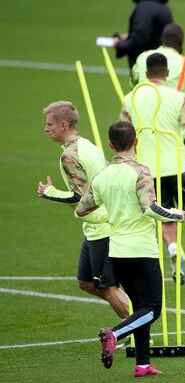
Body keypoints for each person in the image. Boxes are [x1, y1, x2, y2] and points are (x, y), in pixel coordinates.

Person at [75, 121, 184, 376]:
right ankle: (115, 333)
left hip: (117, 251)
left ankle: (143, 363)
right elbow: (150, 208)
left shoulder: (102, 176)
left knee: (140, 307)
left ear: (110, 145)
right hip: (142, 250)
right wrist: (175, 214)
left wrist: (111, 217)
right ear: (136, 142)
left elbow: (82, 209)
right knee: (153, 308)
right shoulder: (140, 172)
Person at [121, 52, 185, 290]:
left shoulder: (130, 98)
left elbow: (124, 130)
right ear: (167, 73)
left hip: (148, 167)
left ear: (145, 74)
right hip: (179, 166)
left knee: (166, 215)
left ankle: (173, 248)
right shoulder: (178, 97)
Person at [38, 101, 130, 321]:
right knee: (86, 282)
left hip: (101, 225)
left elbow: (80, 198)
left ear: (63, 125)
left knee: (107, 286)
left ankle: (137, 329)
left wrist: (50, 192)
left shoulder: (69, 156)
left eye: (49, 124)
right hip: (96, 224)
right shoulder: (87, 144)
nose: (45, 128)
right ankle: (133, 316)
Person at [113, 0, 173, 69]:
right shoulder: (160, 3)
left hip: (147, 70)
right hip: (160, 66)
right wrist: (129, 36)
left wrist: (120, 44)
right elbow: (155, 35)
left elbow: (140, 40)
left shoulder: (145, 8)